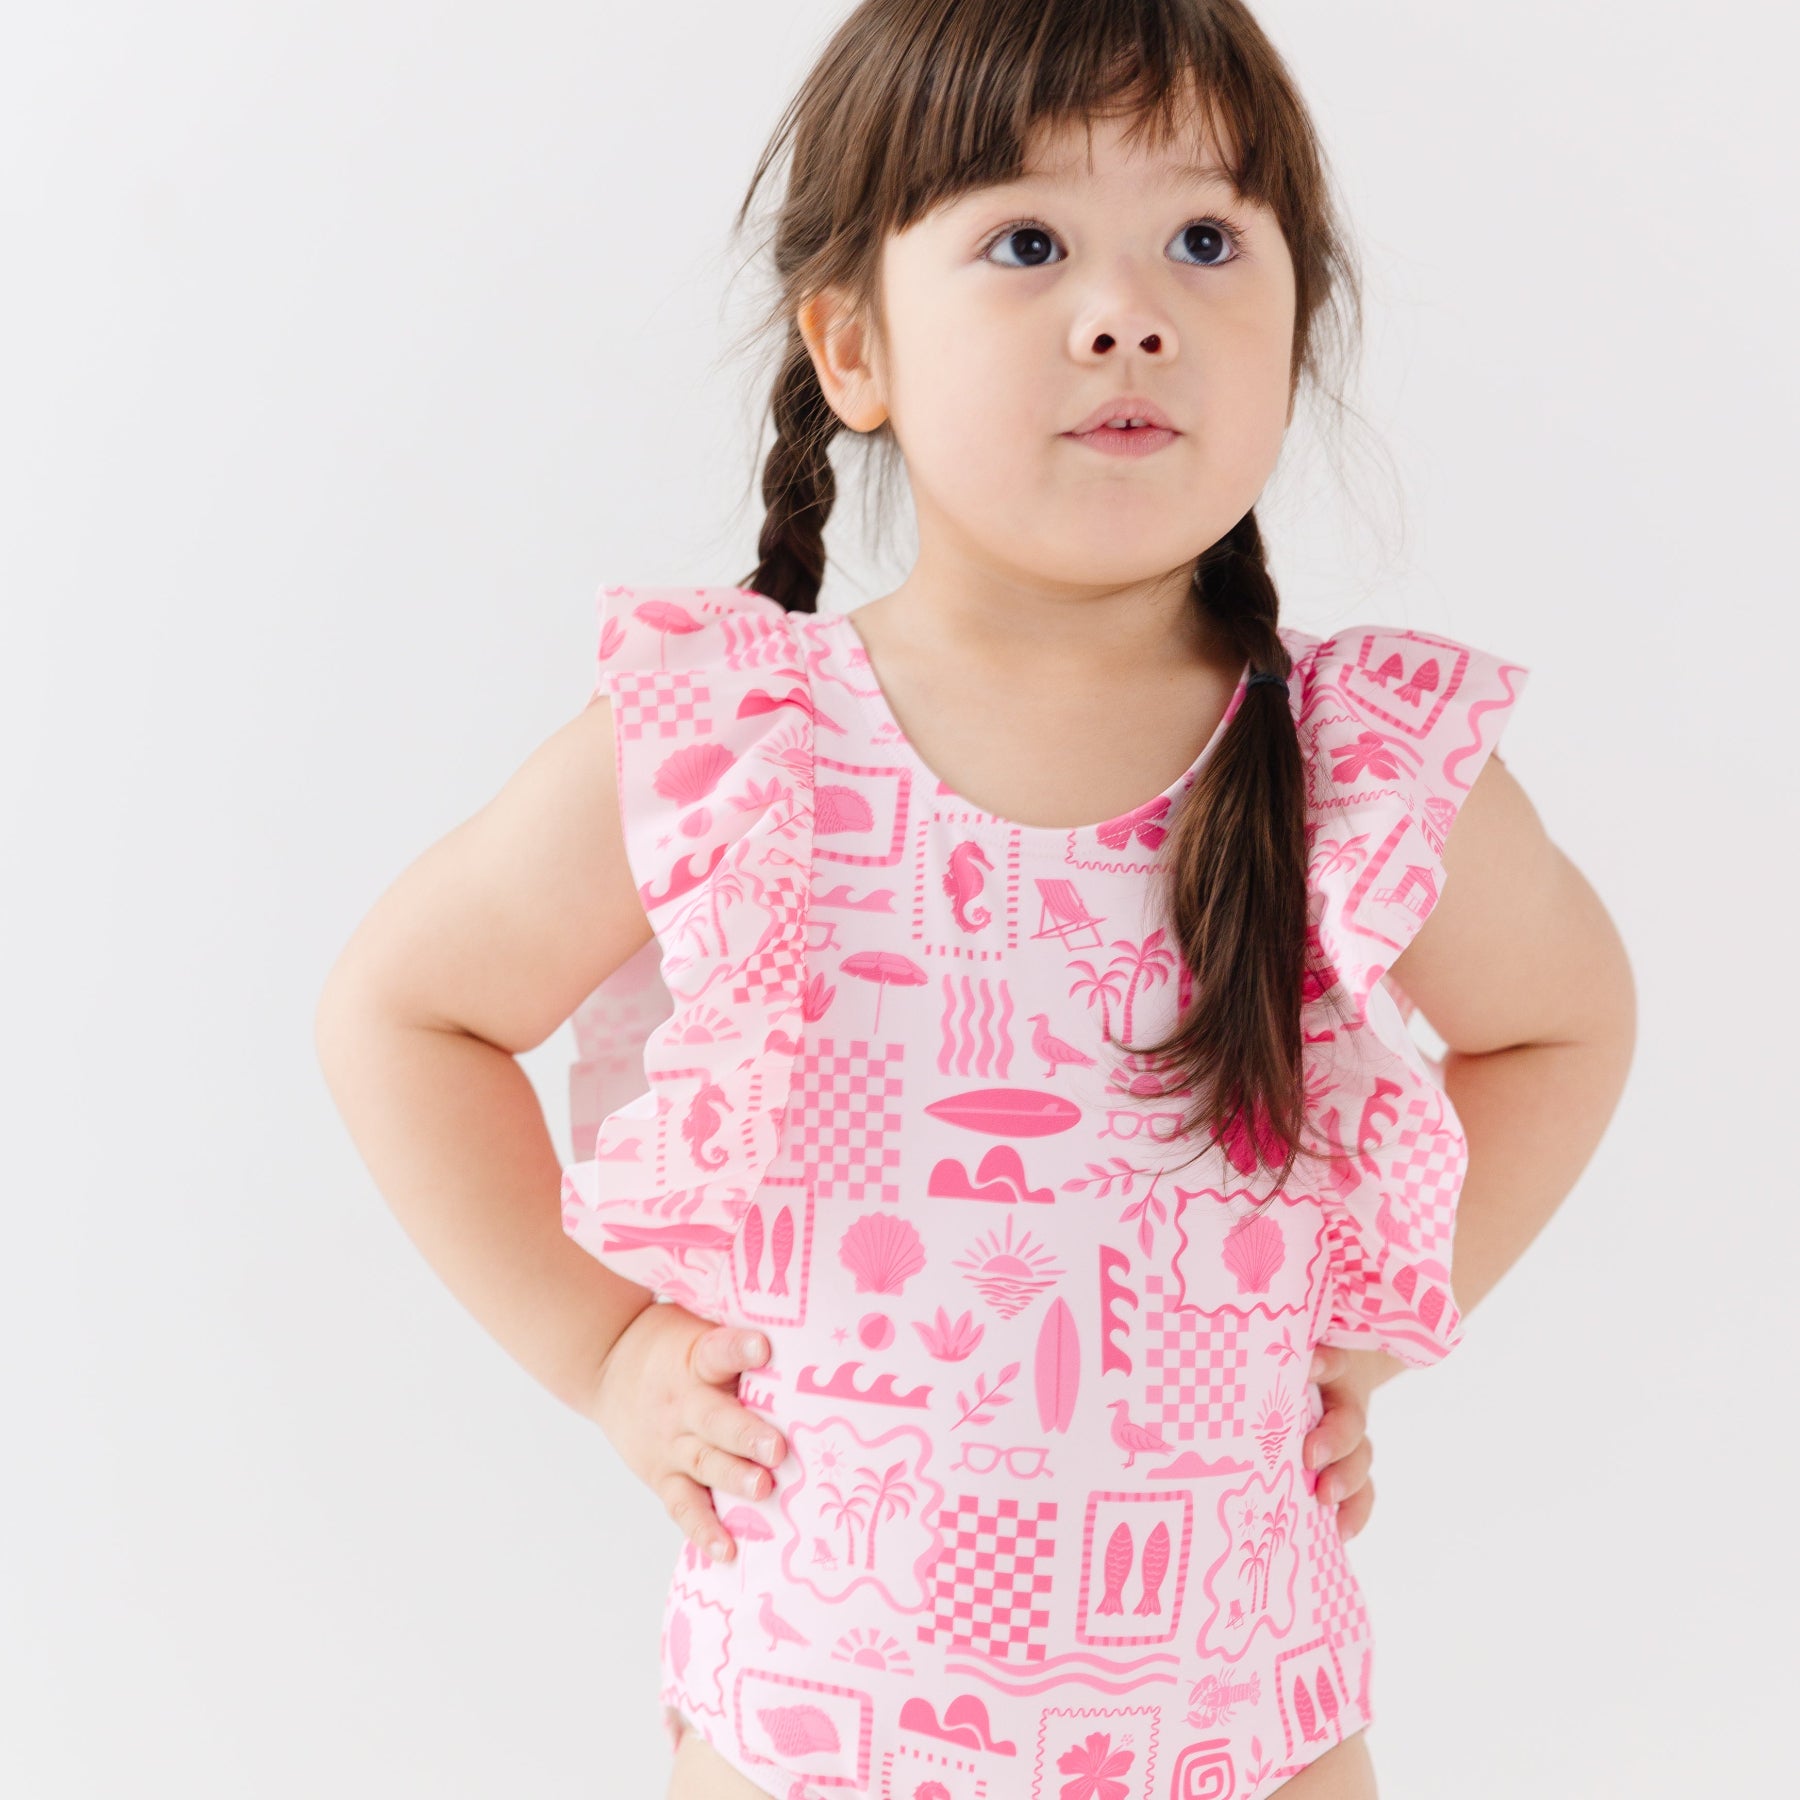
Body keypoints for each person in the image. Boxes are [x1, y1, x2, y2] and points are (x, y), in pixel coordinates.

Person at [315, 3, 1636, 1795]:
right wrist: (607, 1352)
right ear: (853, 346)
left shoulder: (1354, 767)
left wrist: (1362, 1330)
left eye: (1205, 238)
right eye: (1028, 243)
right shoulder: (736, 750)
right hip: (813, 1723)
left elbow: (1564, 1023)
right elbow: (406, 1012)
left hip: (1239, 1721)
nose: (1125, 308)